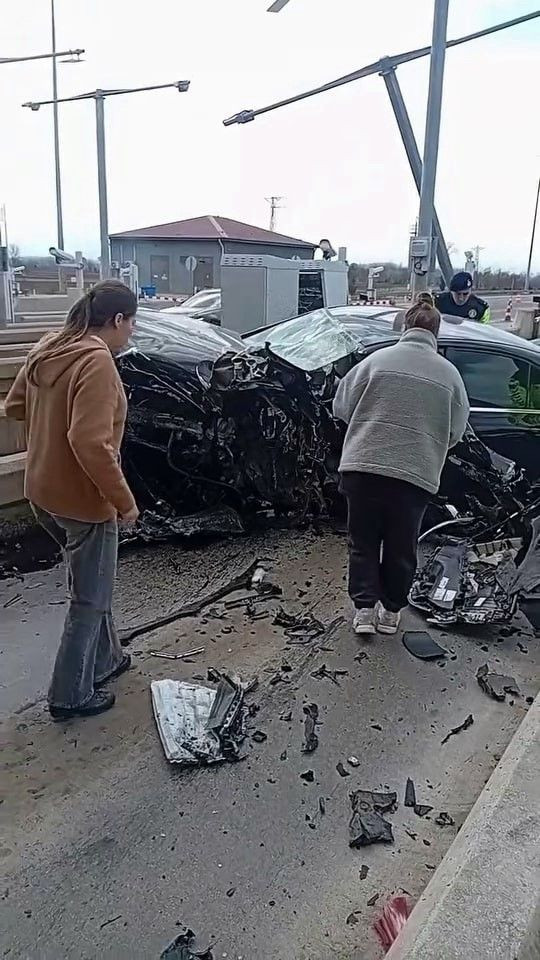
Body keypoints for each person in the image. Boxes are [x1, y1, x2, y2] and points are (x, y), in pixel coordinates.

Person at [5, 280, 139, 720]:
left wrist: (49, 422)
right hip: (83, 499)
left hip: (41, 490)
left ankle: (107, 659)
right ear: (117, 320)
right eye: (131, 325)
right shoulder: (97, 361)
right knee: (89, 599)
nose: (131, 335)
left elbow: (15, 407)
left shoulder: (51, 345)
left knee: (91, 586)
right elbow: (89, 442)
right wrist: (123, 501)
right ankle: (69, 695)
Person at [333, 293, 469, 636]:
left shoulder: (376, 361)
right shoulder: (449, 376)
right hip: (414, 475)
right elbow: (456, 431)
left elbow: (341, 407)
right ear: (436, 333)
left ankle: (364, 612)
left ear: (405, 326)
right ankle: (391, 612)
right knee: (401, 546)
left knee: (362, 541)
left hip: (362, 467)